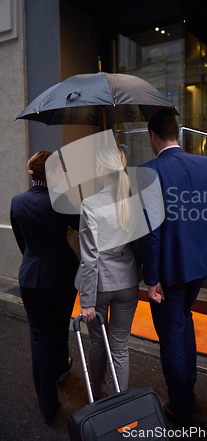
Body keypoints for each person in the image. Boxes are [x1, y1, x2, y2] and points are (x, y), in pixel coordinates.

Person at [137, 108, 207, 423]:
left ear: (153, 135)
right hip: (200, 265)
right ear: (176, 132)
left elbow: (151, 232)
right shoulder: (204, 164)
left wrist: (151, 279)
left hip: (170, 270)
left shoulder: (150, 170)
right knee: (184, 321)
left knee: (170, 334)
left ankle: (180, 404)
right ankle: (187, 390)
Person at [10, 151, 80, 423]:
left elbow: (22, 243)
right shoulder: (61, 201)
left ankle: (47, 404)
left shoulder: (17, 202)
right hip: (62, 276)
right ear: (50, 174)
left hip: (31, 277)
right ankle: (61, 367)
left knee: (39, 337)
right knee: (60, 325)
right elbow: (82, 227)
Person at [75, 145, 140, 399]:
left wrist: (87, 300)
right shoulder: (132, 201)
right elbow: (139, 246)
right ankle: (119, 405)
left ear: (102, 169)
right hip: (128, 282)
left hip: (100, 286)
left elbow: (89, 257)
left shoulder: (90, 204)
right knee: (120, 348)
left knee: (98, 344)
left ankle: (100, 400)